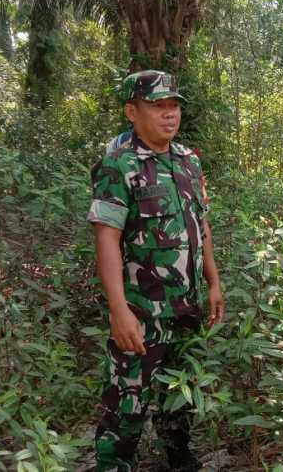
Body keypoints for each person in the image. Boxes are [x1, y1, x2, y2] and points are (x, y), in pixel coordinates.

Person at [87, 69, 225, 472]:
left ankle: (179, 457)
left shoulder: (188, 161)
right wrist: (118, 309)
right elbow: (106, 239)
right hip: (141, 310)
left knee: (180, 392)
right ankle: (115, 464)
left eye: (174, 106)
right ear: (132, 111)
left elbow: (203, 225)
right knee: (127, 400)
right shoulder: (118, 166)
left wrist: (213, 282)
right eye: (157, 106)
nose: (169, 115)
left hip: (187, 305)